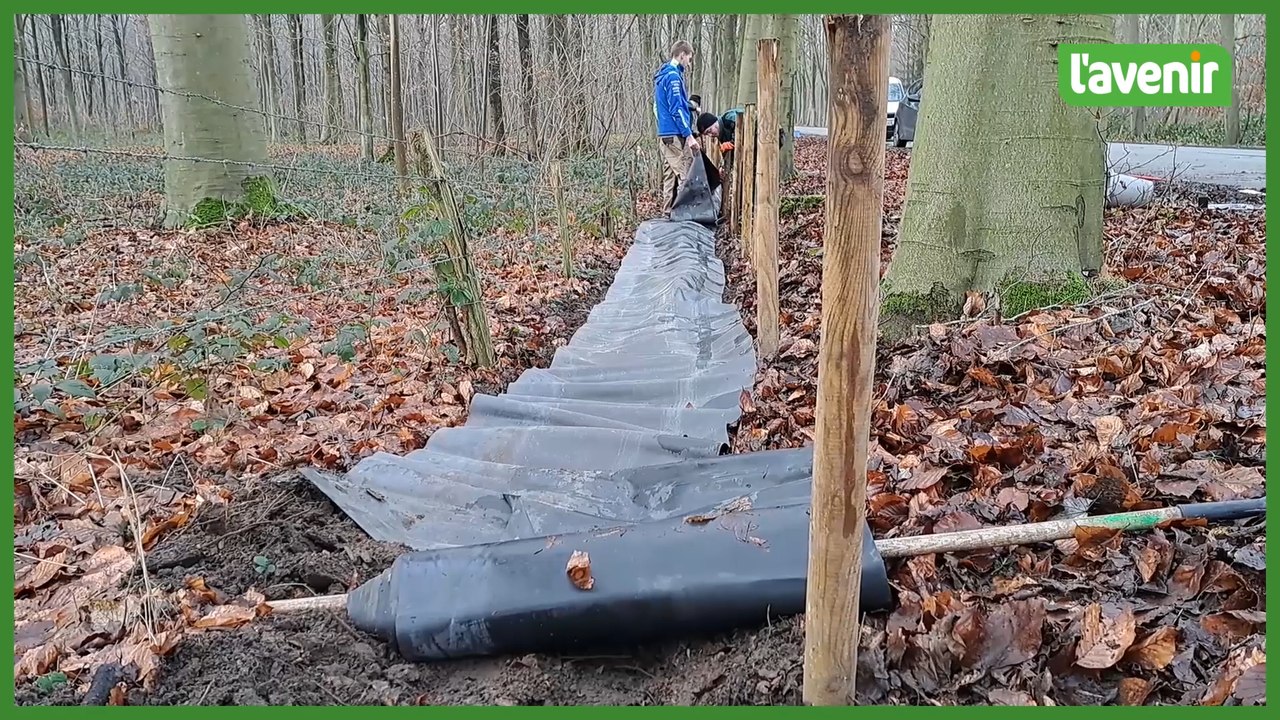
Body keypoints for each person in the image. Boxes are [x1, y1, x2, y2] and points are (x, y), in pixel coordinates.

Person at [653, 41, 699, 217]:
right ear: (682, 55)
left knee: (669, 175)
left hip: (665, 134)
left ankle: (667, 212)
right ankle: (683, 214)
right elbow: (676, 108)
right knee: (684, 173)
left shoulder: (662, 76)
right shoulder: (672, 77)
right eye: (689, 58)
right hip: (674, 134)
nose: (689, 62)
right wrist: (688, 135)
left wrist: (691, 107)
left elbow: (659, 107)